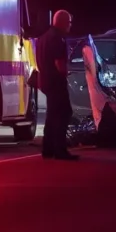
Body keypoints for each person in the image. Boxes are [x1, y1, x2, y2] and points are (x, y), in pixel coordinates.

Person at [36, 9, 79, 160]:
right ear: (63, 23)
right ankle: (60, 150)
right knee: (64, 113)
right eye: (69, 22)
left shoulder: (43, 38)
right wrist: (66, 73)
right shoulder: (58, 39)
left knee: (52, 115)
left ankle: (48, 149)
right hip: (56, 82)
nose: (70, 25)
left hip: (45, 81)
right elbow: (59, 63)